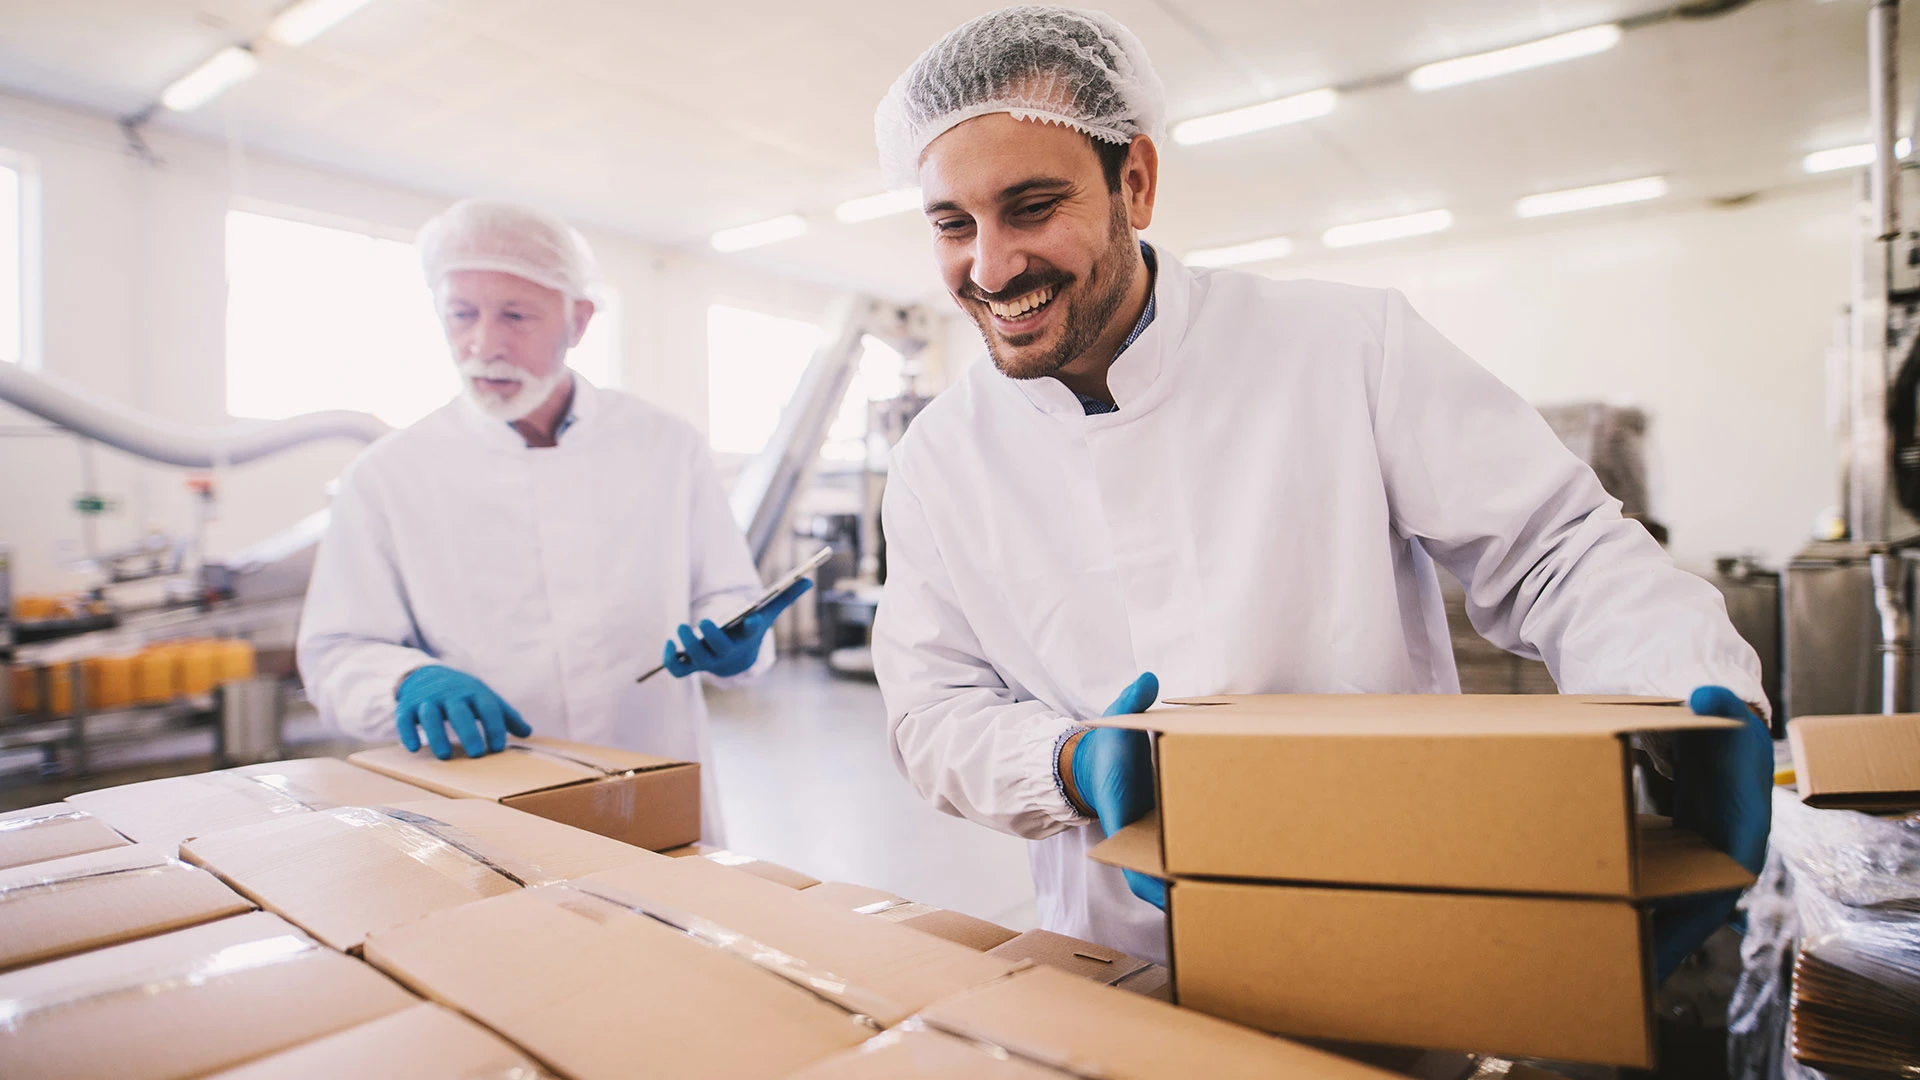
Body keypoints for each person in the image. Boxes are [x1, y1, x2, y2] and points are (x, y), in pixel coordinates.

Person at [869, 6, 1772, 976]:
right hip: (1113, 966)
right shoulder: (938, 461)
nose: (992, 266)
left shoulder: (1346, 348)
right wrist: (1067, 761)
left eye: (1034, 206)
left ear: (1135, 180)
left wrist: (1685, 692)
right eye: (953, 225)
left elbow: (1556, 550)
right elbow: (932, 712)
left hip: (1388, 925)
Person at [296, 198, 807, 845]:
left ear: (578, 320)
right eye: (461, 314)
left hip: (653, 778)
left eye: (515, 315)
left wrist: (741, 640)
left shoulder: (666, 447)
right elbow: (336, 650)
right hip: (479, 798)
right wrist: (404, 679)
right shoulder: (387, 475)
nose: (483, 343)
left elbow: (729, 593)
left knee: (667, 936)